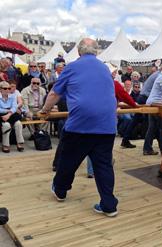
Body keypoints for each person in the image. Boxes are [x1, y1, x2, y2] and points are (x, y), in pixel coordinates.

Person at [40, 38, 118, 217]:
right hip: (107, 125)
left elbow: (54, 93)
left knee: (68, 159)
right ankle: (109, 205)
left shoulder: (72, 67)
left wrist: (45, 110)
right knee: (104, 165)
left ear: (79, 52)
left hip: (81, 125)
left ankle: (60, 191)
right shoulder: (105, 68)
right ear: (96, 52)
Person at [0, 81, 24, 152]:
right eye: (5, 88)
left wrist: (9, 114)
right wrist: (7, 111)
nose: (7, 90)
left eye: (9, 88)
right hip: (1, 115)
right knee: (6, 125)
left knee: (18, 123)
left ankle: (19, 142)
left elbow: (14, 107)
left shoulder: (13, 96)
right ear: (0, 89)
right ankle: (5, 145)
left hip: (11, 115)